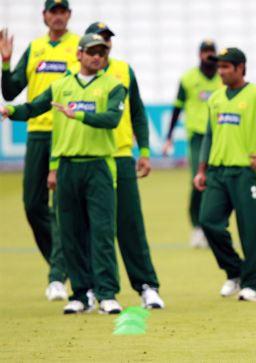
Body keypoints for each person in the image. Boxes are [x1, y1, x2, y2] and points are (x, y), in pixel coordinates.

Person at [1, 33, 127, 315]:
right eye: (92, 52)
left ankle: (107, 293)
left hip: (99, 166)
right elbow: (33, 108)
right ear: (79, 55)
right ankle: (81, 294)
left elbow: (112, 119)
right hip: (68, 167)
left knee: (102, 232)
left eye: (102, 53)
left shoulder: (114, 87)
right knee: (71, 233)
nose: (97, 57)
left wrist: (77, 115)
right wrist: (10, 109)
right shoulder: (61, 86)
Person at [194, 48, 256, 302]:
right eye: (220, 67)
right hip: (217, 173)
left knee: (250, 231)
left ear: (240, 68)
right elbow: (209, 135)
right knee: (208, 221)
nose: (221, 71)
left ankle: (252, 285)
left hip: (246, 173)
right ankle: (234, 271)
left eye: (226, 67)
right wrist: (201, 170)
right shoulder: (215, 98)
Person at [80, 22, 164, 309]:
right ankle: (92, 289)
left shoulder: (124, 70)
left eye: (107, 40)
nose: (104, 44)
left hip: (119, 156)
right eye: (99, 39)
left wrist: (144, 151)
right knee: (93, 228)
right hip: (90, 160)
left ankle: (146, 286)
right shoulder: (75, 76)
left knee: (130, 225)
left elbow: (138, 112)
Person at [0, 0, 79, 301]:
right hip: (37, 134)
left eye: (62, 11)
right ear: (44, 16)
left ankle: (57, 275)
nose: (58, 16)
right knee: (33, 206)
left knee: (61, 208)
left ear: (69, 16)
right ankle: (65, 264)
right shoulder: (35, 49)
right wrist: (6, 63)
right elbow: (10, 91)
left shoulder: (80, 47)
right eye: (53, 12)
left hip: (67, 133)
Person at [163, 40, 223, 248]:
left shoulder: (223, 77)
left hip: (220, 135)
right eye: (205, 52)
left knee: (218, 183)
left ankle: (213, 227)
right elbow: (177, 108)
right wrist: (169, 137)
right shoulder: (188, 79)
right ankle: (197, 226)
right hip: (198, 137)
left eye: (211, 52)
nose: (208, 56)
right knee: (198, 181)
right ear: (199, 55)